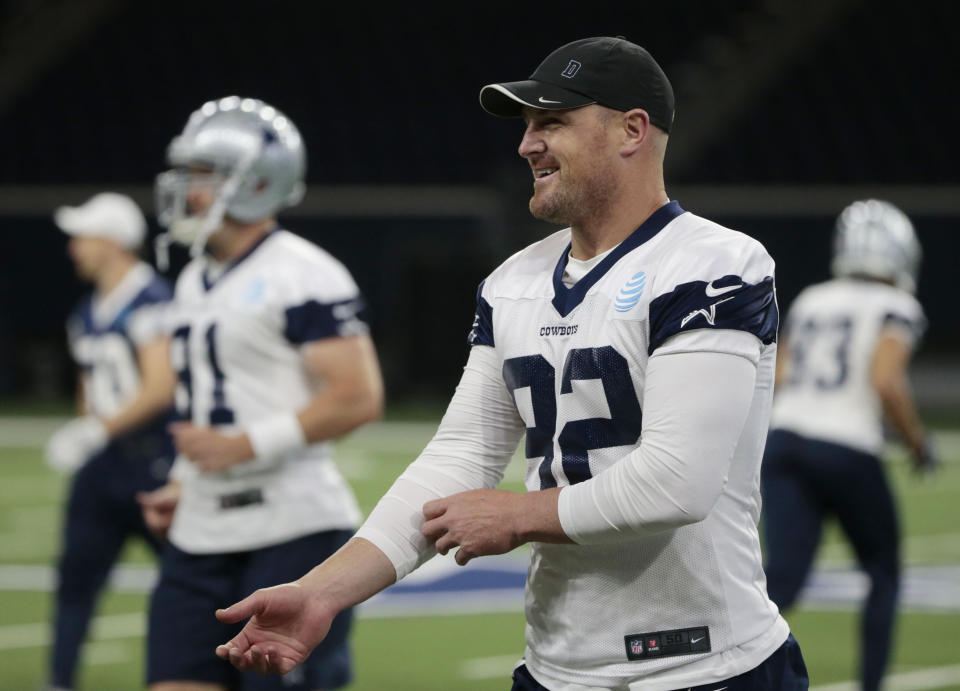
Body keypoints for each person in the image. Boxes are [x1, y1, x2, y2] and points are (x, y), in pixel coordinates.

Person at [214, 38, 808, 690]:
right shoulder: (513, 282)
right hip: (556, 666)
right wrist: (321, 591)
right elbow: (457, 458)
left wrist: (518, 514)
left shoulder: (713, 263)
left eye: (551, 122)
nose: (527, 144)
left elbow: (676, 480)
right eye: (527, 126)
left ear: (631, 130)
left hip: (704, 665)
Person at [138, 95, 384, 691]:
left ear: (254, 182)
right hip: (202, 530)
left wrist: (243, 447)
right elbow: (221, 396)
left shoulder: (303, 273)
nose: (186, 188)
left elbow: (357, 396)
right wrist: (183, 481)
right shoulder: (194, 274)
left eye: (202, 174)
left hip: (292, 528)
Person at [761, 199, 935, 691]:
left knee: (782, 580)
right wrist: (918, 445)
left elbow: (779, 375)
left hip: (785, 440)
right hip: (845, 447)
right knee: (883, 573)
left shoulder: (814, 298)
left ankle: (721, 673)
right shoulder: (897, 306)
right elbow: (886, 382)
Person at [44, 192, 176, 691]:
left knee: (190, 581)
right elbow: (89, 384)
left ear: (114, 241)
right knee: (75, 582)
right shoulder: (87, 309)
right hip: (103, 468)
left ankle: (215, 674)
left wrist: (96, 429)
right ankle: (58, 682)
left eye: (83, 236)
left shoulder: (151, 300)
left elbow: (161, 386)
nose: (74, 247)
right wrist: (89, 427)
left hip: (155, 465)